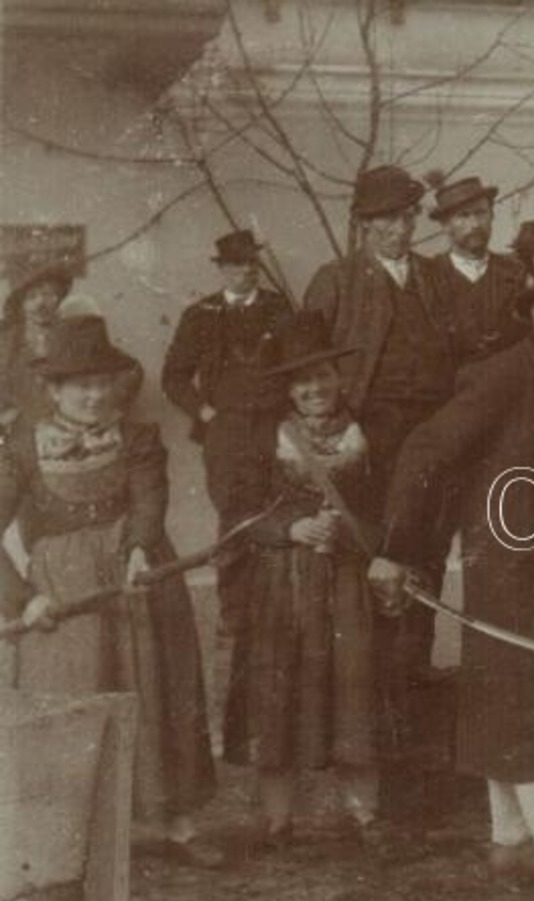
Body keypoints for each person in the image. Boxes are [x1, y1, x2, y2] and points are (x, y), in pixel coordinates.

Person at [367, 231, 534, 901]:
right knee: (524, 700)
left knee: (503, 697)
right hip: (509, 564)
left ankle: (508, 840)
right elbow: (426, 449)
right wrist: (396, 547)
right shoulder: (507, 373)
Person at [0, 315, 220, 866]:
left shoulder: (139, 436)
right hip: (63, 594)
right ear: (53, 390)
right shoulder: (22, 445)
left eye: (102, 383)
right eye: (81, 386)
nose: (94, 396)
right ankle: (70, 841)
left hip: (138, 580)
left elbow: (149, 498)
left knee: (157, 691)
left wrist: (142, 547)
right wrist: (24, 598)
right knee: (73, 702)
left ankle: (180, 824)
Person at [303, 164, 457, 822]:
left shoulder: (430, 278)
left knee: (419, 590)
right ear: (362, 226)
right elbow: (309, 370)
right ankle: (368, 763)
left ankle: (415, 759)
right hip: (369, 453)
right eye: (385, 220)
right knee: (371, 596)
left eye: (406, 218)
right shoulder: (335, 281)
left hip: (429, 452)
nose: (399, 229)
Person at [221, 315, 381, 848]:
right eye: (301, 381)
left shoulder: (368, 433)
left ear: (339, 376)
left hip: (347, 582)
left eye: (322, 376)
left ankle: (365, 815)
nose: (314, 389)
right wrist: (291, 527)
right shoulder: (266, 438)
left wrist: (349, 539)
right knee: (279, 690)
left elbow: (391, 514)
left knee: (353, 688)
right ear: (288, 389)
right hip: (281, 584)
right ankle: (278, 819)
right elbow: (239, 512)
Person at [161, 229, 293, 650]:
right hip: (227, 433)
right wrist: (204, 412)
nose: (246, 271)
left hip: (275, 426)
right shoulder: (201, 314)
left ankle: (281, 610)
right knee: (235, 518)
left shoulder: (277, 308)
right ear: (221, 268)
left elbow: (298, 362)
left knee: (282, 507)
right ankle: (236, 616)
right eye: (236, 264)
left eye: (251, 263)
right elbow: (174, 375)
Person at [426, 175, 526, 365]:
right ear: (445, 226)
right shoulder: (428, 277)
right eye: (463, 216)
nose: (475, 225)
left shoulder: (516, 273)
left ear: (492, 216)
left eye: (481, 213)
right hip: (450, 390)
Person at [2, 258, 75, 425]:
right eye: (31, 297)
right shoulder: (6, 340)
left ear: (59, 298)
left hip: (64, 427)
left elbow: (131, 370)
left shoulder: (75, 334)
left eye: (48, 294)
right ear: (21, 304)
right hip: (15, 426)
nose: (40, 304)